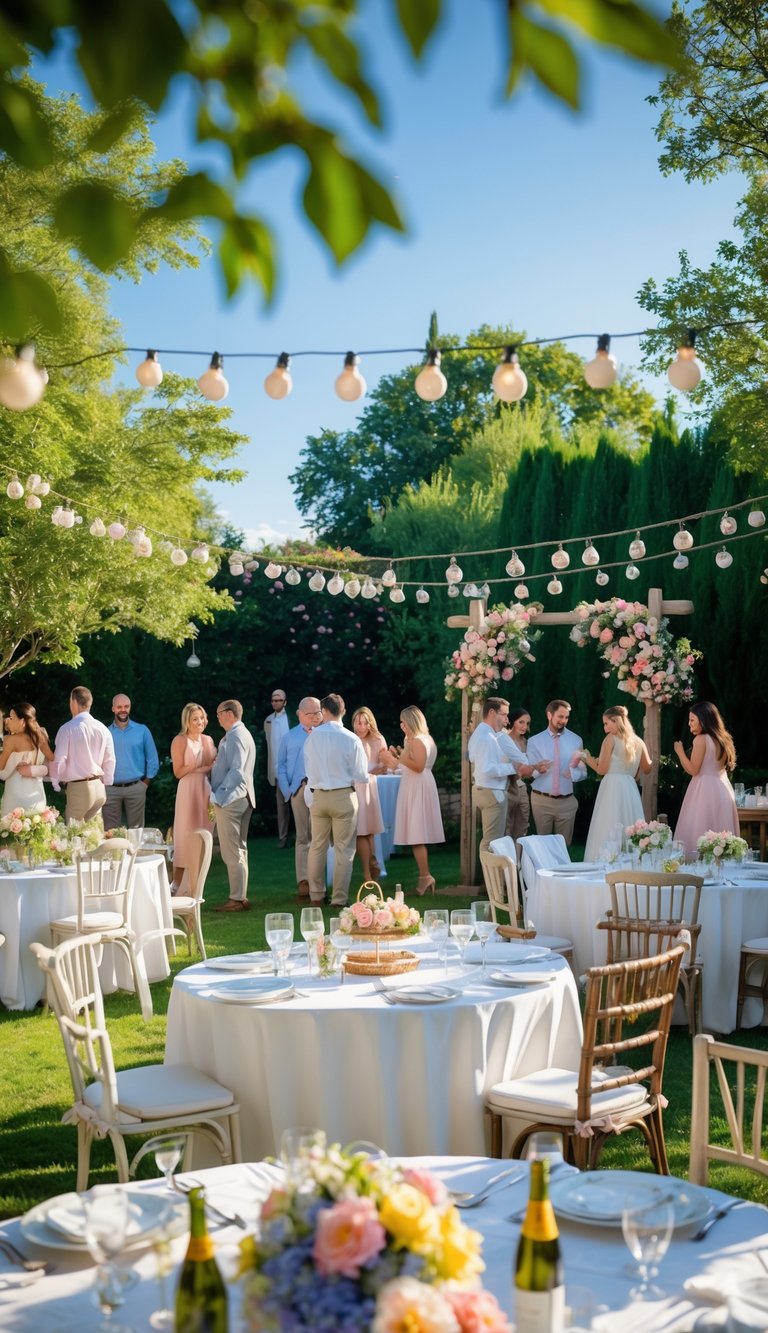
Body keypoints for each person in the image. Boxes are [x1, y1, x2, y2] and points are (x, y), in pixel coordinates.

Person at [304, 693, 369, 908]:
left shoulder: (312, 737)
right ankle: (339, 899)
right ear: (343, 711)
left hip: (319, 796)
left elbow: (309, 770)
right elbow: (362, 775)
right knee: (344, 850)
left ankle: (316, 895)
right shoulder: (351, 739)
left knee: (317, 847)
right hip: (343, 795)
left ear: (323, 712)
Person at [381, 705, 444, 894]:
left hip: (418, 785)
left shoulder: (417, 740)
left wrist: (398, 757)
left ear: (412, 721)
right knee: (417, 835)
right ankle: (424, 877)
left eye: (404, 722)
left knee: (417, 834)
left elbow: (418, 766)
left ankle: (425, 877)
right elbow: (410, 767)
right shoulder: (421, 739)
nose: (401, 725)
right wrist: (396, 760)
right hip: (417, 783)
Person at [582, 705, 651, 861]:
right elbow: (647, 768)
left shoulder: (610, 739)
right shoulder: (639, 741)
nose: (605, 728)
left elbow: (602, 769)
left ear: (616, 721)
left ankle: (607, 861)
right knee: (630, 822)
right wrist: (633, 773)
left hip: (612, 787)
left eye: (607, 723)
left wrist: (586, 758)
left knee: (609, 823)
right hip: (630, 787)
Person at [673, 701, 739, 859]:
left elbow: (694, 770)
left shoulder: (701, 739)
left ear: (704, 719)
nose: (689, 724)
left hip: (704, 789)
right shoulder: (723, 739)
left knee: (700, 826)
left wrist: (680, 752)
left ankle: (697, 867)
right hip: (722, 788)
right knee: (719, 828)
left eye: (692, 720)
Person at [210, 699, 256, 912]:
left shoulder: (236, 735)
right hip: (242, 797)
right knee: (239, 849)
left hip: (232, 799)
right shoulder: (240, 733)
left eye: (219, 713)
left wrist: (218, 795)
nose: (216, 717)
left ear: (229, 713)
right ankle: (241, 896)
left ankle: (236, 899)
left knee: (231, 852)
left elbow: (237, 771)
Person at [277, 696, 323, 902]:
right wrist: (287, 790)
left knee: (319, 837)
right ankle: (303, 880)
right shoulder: (289, 737)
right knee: (302, 837)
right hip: (298, 789)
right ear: (300, 714)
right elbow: (281, 765)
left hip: (319, 790)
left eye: (318, 712)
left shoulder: (325, 734)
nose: (315, 717)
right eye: (310, 713)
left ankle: (318, 881)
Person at [48, 686, 116, 823]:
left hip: (79, 788)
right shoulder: (103, 728)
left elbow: (59, 760)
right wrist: (107, 781)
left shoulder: (67, 728)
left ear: (73, 702)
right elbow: (110, 760)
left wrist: (55, 782)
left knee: (74, 835)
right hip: (99, 788)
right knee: (93, 837)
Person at [170, 703, 217, 892]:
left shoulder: (207, 740)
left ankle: (197, 884)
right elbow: (178, 771)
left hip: (204, 789)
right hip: (187, 790)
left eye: (201, 718)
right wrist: (196, 766)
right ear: (187, 722)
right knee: (184, 832)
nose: (199, 722)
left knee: (203, 830)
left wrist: (202, 768)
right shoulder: (180, 740)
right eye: (195, 719)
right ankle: (178, 884)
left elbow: (214, 766)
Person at [527, 698, 587, 845]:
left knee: (564, 847)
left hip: (567, 802)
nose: (563, 721)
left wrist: (572, 774)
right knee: (542, 847)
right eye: (560, 716)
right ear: (549, 715)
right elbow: (530, 771)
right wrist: (537, 770)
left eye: (566, 717)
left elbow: (583, 772)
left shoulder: (576, 740)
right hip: (541, 801)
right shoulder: (534, 741)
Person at [467, 697, 523, 854]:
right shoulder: (487, 737)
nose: (507, 720)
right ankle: (491, 878)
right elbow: (487, 769)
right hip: (492, 792)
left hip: (484, 790)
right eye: (504, 715)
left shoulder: (481, 733)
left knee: (492, 841)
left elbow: (472, 759)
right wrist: (512, 767)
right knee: (492, 842)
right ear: (491, 712)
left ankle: (493, 877)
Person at [102, 693, 160, 830]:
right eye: (119, 706)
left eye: (126, 706)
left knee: (136, 831)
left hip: (136, 788)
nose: (123, 710)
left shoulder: (142, 730)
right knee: (110, 831)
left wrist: (145, 783)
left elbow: (153, 759)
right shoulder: (104, 732)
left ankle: (134, 852)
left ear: (130, 708)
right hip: (110, 789)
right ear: (113, 709)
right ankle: (114, 852)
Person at [351, 706, 388, 883]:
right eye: (358, 722)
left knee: (368, 831)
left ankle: (371, 867)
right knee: (361, 831)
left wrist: (374, 772)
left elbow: (385, 766)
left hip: (369, 786)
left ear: (370, 723)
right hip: (355, 786)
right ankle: (370, 867)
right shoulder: (351, 739)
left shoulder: (378, 739)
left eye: (364, 723)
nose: (361, 726)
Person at [0, 702, 55, 815]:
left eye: (11, 717)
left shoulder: (10, 740)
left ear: (22, 721)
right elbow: (51, 757)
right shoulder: (41, 735)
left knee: (11, 829)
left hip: (15, 793)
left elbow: (1, 766)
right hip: (36, 792)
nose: (8, 720)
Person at [502, 707, 539, 846]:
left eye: (527, 723)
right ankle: (507, 863)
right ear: (513, 722)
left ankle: (519, 864)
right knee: (506, 828)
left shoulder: (527, 743)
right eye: (521, 722)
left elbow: (529, 769)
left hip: (522, 788)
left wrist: (537, 768)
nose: (524, 726)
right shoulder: (504, 740)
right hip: (507, 787)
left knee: (522, 827)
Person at [264, 688, 291, 847]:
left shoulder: (293, 718)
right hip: (277, 768)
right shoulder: (268, 720)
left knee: (300, 803)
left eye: (279, 700)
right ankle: (283, 838)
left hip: (294, 768)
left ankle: (306, 837)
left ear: (285, 702)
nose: (275, 702)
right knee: (281, 804)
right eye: (273, 700)